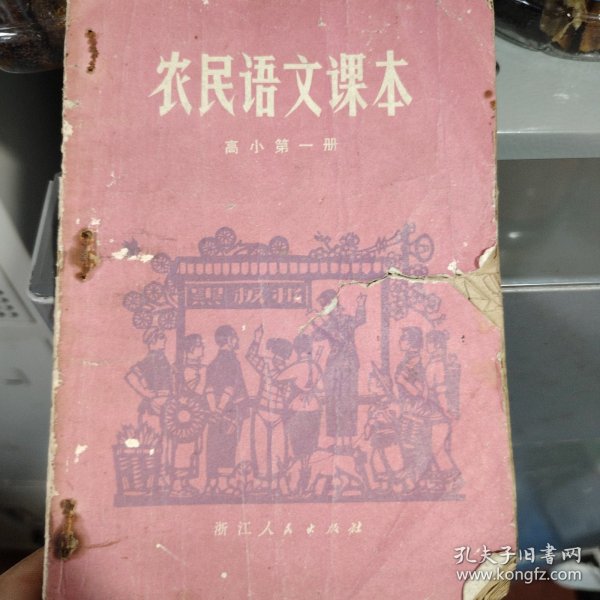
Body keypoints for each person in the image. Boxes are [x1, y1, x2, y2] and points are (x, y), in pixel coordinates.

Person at [312, 289, 366, 450]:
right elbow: (316, 337)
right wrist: (314, 321)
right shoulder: (329, 321)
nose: (323, 309)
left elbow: (344, 334)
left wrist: (361, 305)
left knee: (347, 401)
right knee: (332, 401)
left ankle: (347, 442)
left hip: (348, 365)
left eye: (324, 305)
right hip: (333, 366)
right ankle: (337, 441)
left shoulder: (344, 319)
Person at [245, 325, 292, 490]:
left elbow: (251, 356)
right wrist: (257, 339)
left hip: (269, 413)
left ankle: (270, 482)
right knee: (266, 449)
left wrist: (257, 340)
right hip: (268, 412)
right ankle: (269, 482)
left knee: (270, 449)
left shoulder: (278, 367)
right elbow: (251, 357)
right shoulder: (284, 369)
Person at [275, 334, 323, 494]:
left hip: (297, 411)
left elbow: (277, 378)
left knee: (297, 450)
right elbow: (321, 388)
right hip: (314, 409)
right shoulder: (316, 366)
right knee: (309, 451)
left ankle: (297, 485)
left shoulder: (296, 367)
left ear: (296, 349)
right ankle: (306, 483)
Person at [204, 325, 248, 494]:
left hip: (215, 411)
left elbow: (208, 389)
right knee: (227, 446)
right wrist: (220, 409)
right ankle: (223, 484)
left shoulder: (213, 363)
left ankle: (212, 483)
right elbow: (230, 387)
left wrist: (213, 410)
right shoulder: (231, 361)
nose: (237, 340)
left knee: (214, 445)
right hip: (229, 411)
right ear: (229, 340)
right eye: (235, 337)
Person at [163, 334, 207, 497]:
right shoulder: (186, 369)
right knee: (183, 448)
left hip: (194, 414)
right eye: (199, 346)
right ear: (190, 349)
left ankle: (184, 483)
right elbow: (197, 391)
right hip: (184, 416)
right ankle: (176, 486)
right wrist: (203, 375)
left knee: (193, 449)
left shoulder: (194, 367)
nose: (203, 348)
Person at [425, 329, 462, 492]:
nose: (427, 346)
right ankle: (442, 482)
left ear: (437, 345)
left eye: (429, 343)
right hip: (433, 412)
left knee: (437, 449)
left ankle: (455, 479)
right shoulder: (435, 363)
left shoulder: (437, 364)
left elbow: (440, 390)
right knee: (436, 448)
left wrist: (446, 409)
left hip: (438, 413)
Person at [125, 327, 173, 433]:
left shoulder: (161, 358)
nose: (164, 339)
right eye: (161, 337)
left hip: (164, 405)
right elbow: (130, 376)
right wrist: (146, 393)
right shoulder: (151, 359)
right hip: (153, 408)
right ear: (152, 340)